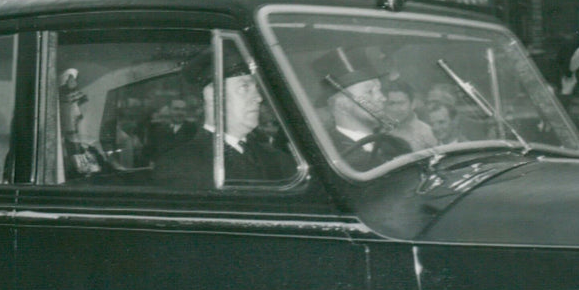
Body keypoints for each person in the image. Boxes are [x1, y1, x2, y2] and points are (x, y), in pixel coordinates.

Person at [153, 47, 295, 188]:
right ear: (214, 97)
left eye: (256, 89)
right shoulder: (180, 165)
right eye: (244, 87)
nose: (258, 98)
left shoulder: (279, 160)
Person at [312, 46, 411, 171]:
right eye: (369, 91)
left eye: (379, 90)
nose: (382, 98)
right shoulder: (329, 156)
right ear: (342, 104)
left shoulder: (398, 146)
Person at [59, 68, 111, 179]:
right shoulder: (58, 148)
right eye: (72, 105)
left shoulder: (90, 144)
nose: (79, 113)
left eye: (79, 105)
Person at [383, 79, 437, 151]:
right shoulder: (386, 131)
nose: (396, 109)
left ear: (413, 104)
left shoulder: (427, 133)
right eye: (392, 103)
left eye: (401, 103)